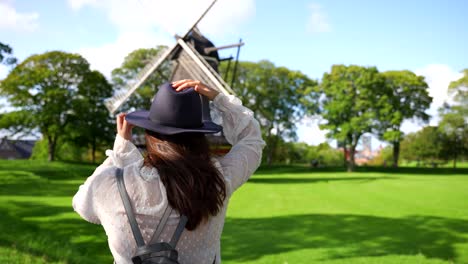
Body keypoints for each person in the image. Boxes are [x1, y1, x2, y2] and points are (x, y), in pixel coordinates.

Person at [72, 79, 265, 264]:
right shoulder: (217, 179)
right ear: (199, 136)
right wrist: (217, 97)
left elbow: (82, 206)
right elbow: (252, 140)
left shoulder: (107, 184)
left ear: (149, 132)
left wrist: (121, 149)